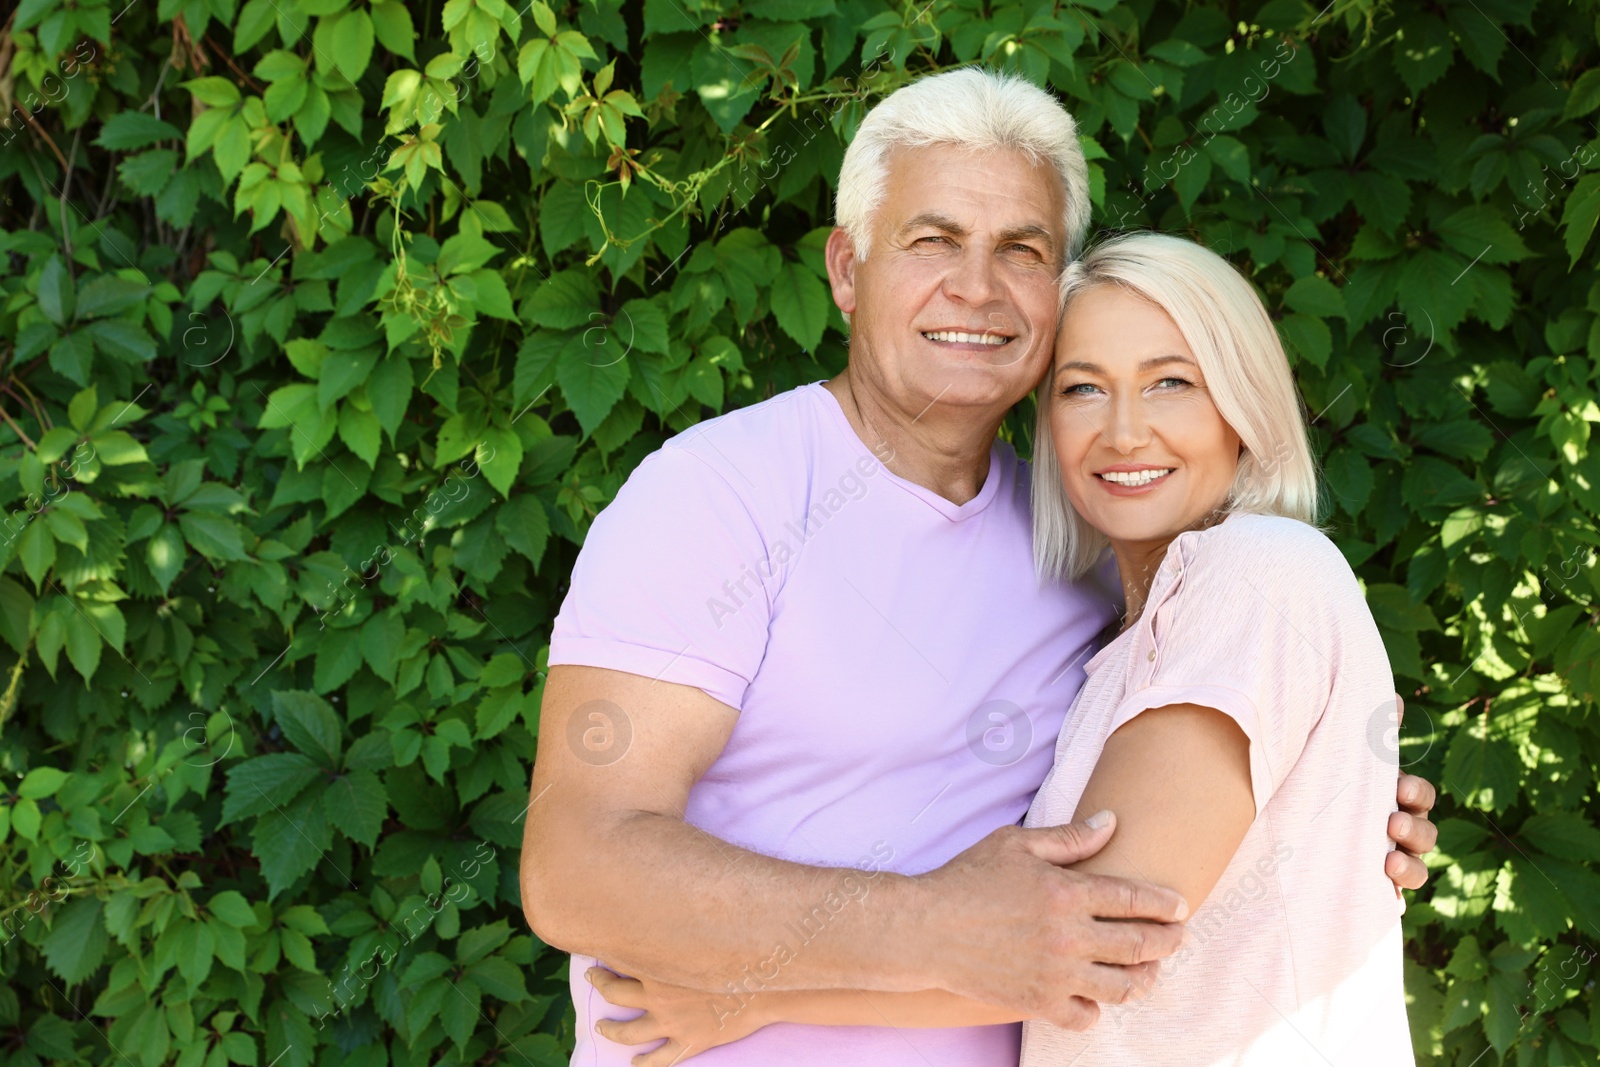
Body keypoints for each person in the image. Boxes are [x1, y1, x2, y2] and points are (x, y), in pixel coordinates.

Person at [518, 66, 1438, 1067]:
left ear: (1055, 289)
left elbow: (1141, 855)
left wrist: (1334, 805)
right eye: (933, 239)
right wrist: (921, 922)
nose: (976, 287)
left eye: (1021, 250)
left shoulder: (1084, 557)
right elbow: (576, 865)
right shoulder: (714, 497)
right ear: (845, 269)